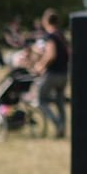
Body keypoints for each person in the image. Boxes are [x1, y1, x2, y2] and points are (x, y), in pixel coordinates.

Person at [25, 9, 69, 139]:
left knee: (40, 100)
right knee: (59, 102)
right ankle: (63, 129)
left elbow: (51, 54)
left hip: (53, 74)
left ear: (45, 21)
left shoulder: (50, 36)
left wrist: (40, 66)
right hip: (64, 74)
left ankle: (58, 125)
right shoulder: (61, 35)